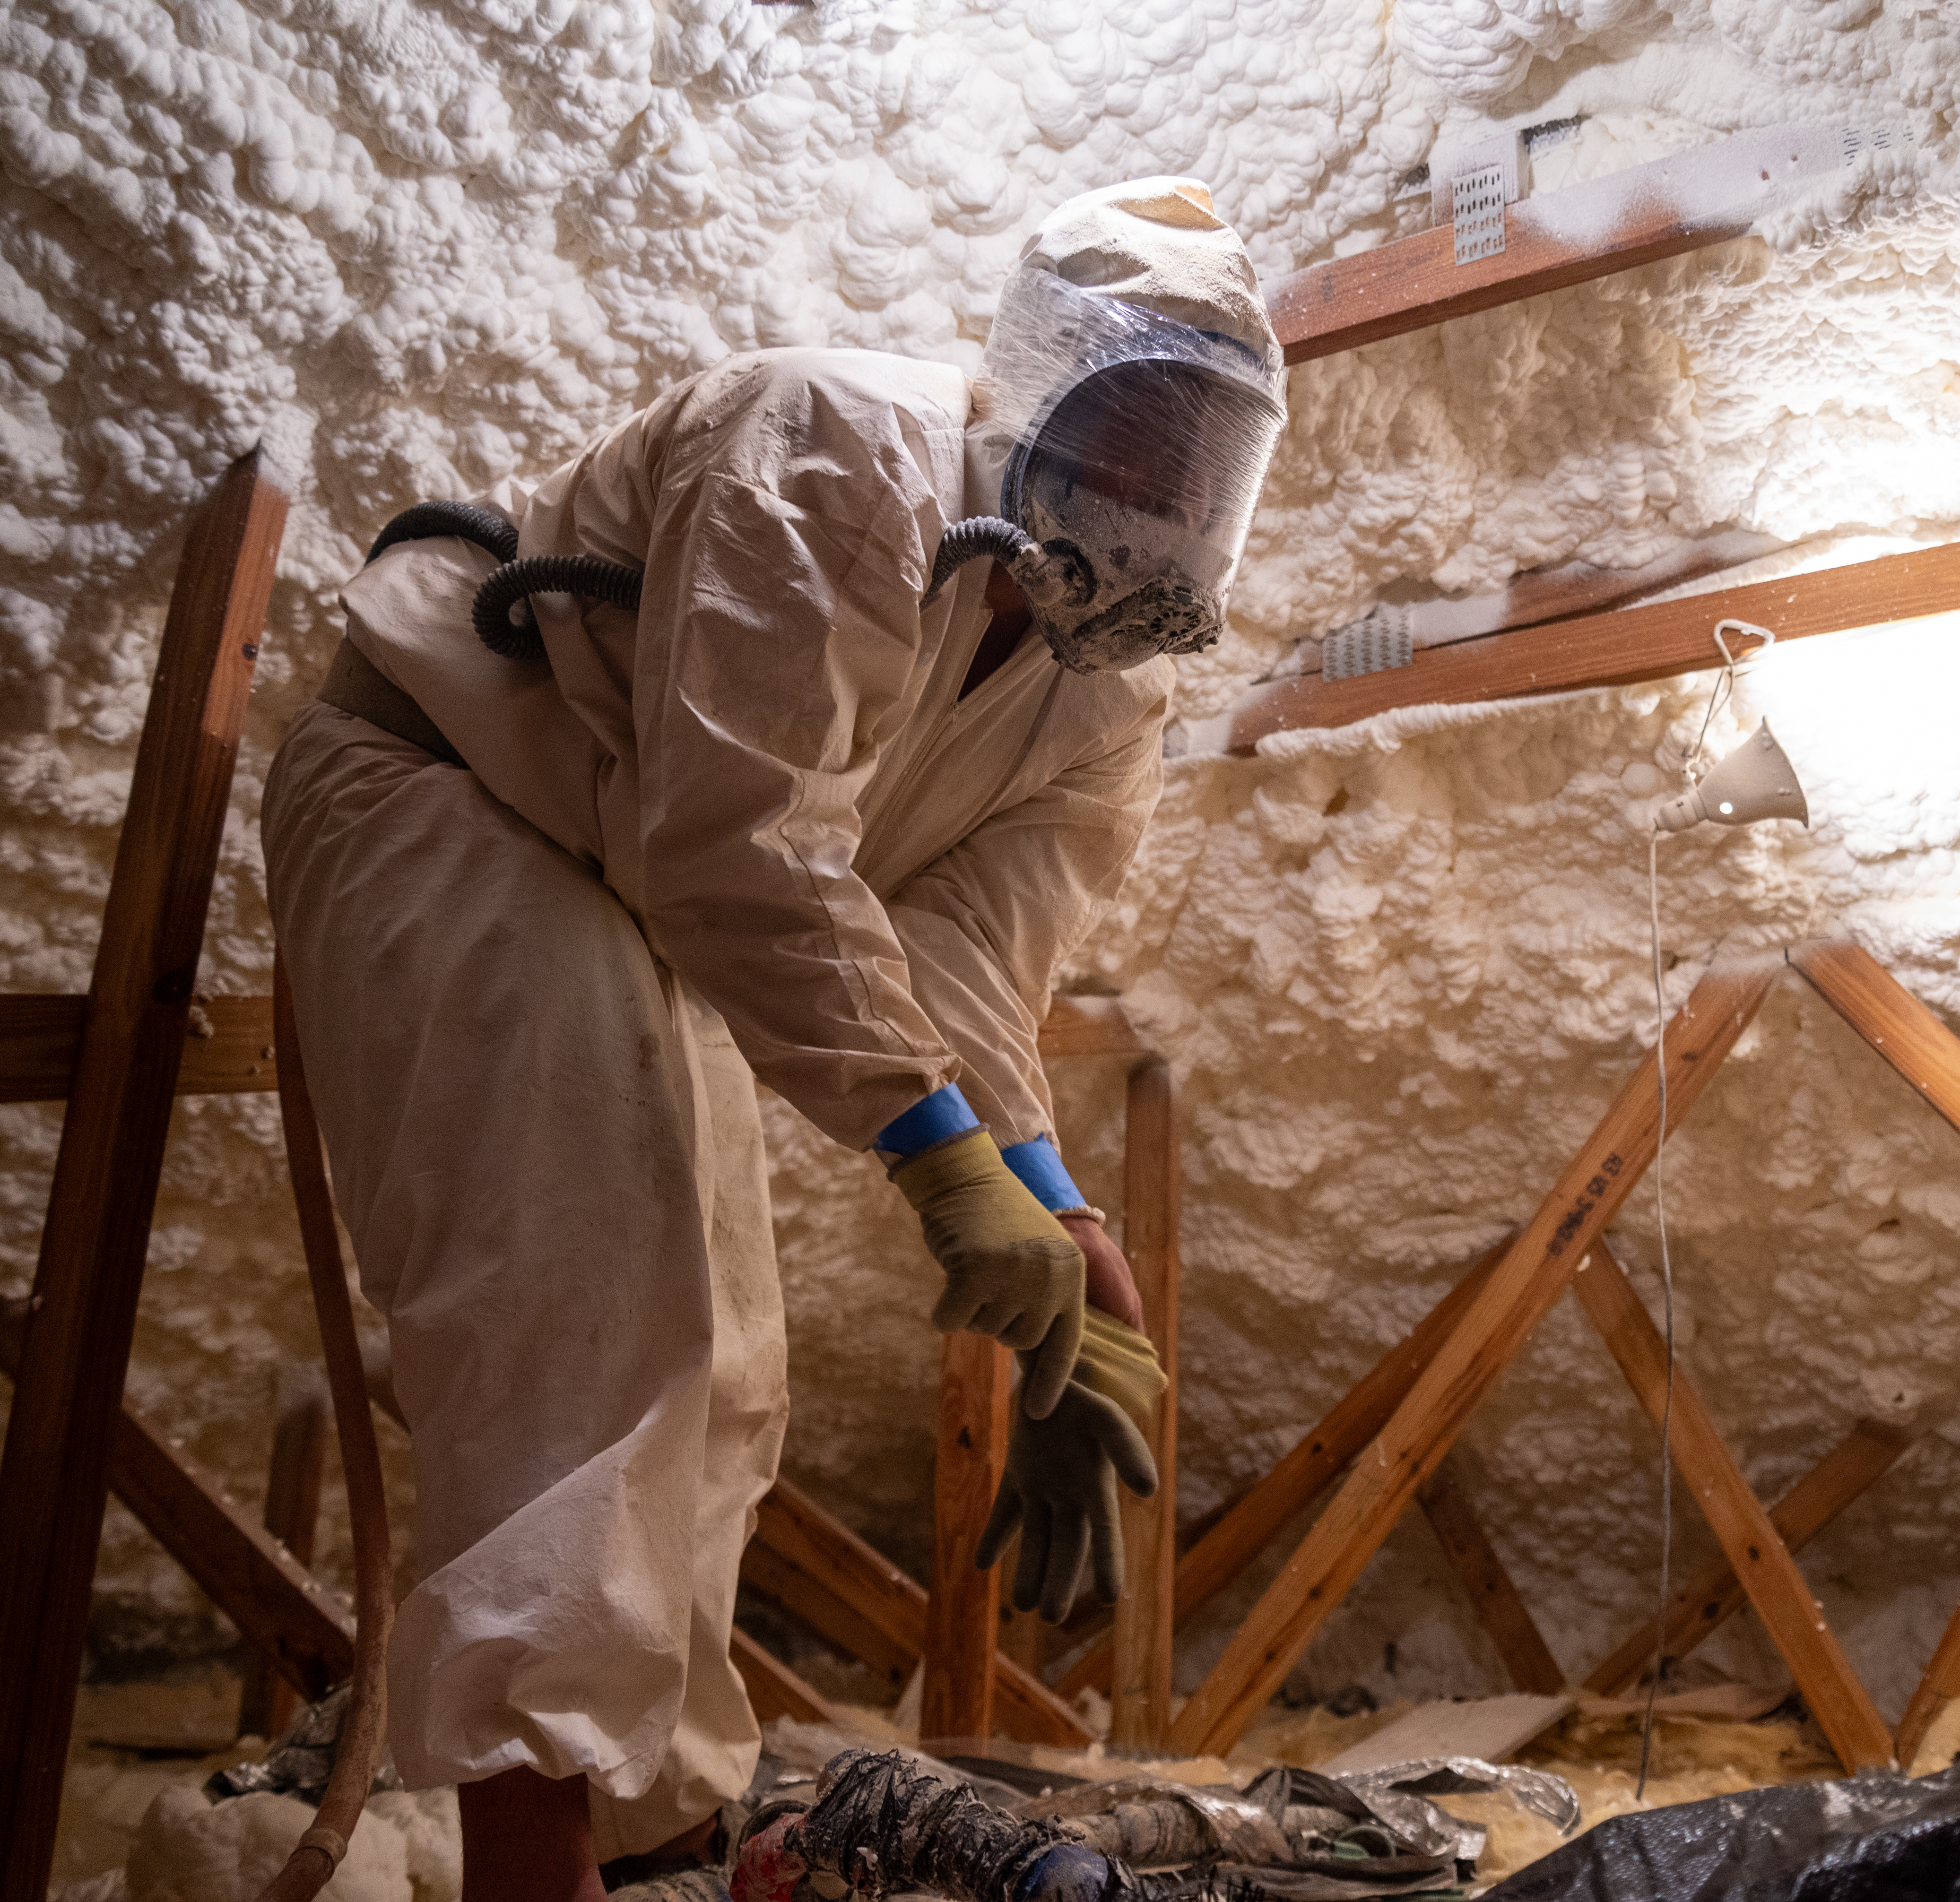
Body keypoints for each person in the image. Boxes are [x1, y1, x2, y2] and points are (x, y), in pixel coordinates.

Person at [260, 179, 1285, 1900]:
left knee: (728, 1368)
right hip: (451, 787)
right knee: (587, 1324)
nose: (1167, 496)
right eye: (1140, 431)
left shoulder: (1111, 692)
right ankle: (532, 1867)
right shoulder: (837, 449)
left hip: (622, 883)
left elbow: (965, 950)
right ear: (1042, 386)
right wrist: (940, 1166)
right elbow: (740, 840)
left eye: (1206, 461)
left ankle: (663, 1842)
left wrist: (1056, 1210)